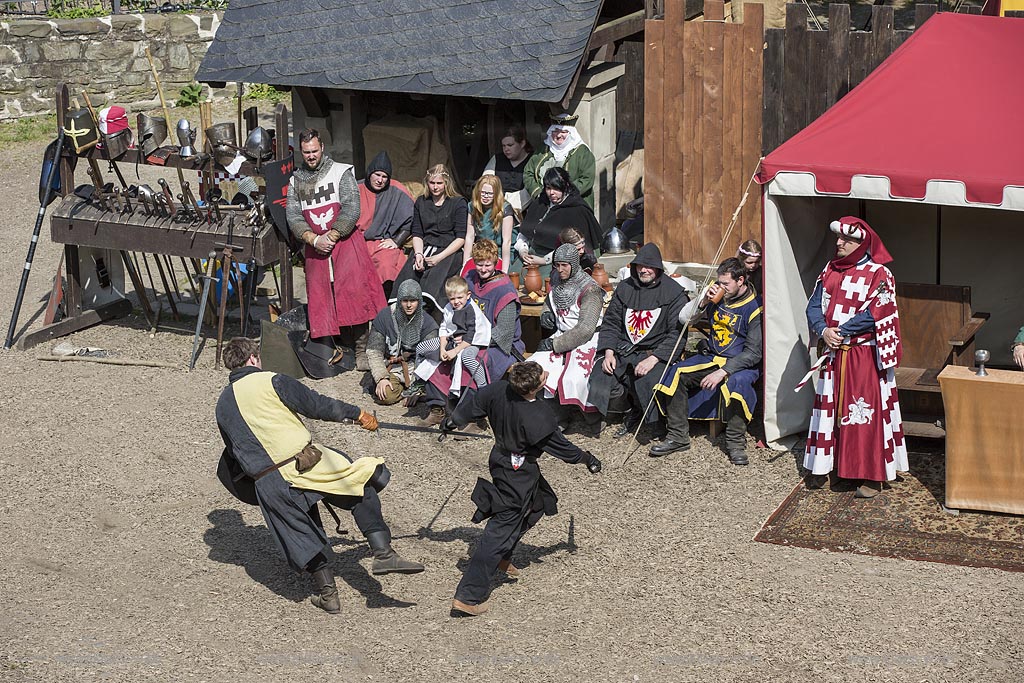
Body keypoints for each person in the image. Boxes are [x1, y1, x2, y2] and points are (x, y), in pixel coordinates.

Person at [214, 337, 424, 615]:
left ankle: (328, 595)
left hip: (268, 481)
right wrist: (358, 414)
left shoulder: (222, 405)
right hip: (307, 463)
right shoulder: (271, 380)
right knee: (358, 482)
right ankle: (383, 554)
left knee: (302, 533)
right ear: (253, 359)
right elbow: (316, 405)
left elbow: (233, 454)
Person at [443, 361, 602, 617]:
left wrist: (453, 421)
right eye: (543, 376)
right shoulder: (537, 414)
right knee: (497, 533)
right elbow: (563, 449)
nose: (547, 374)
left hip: (506, 462)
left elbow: (473, 405)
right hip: (515, 475)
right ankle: (468, 598)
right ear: (533, 389)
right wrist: (588, 459)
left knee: (539, 504)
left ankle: (503, 558)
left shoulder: (499, 390)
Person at [803, 217, 908, 499]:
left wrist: (841, 331)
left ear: (861, 243)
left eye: (846, 240)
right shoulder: (829, 270)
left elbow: (877, 312)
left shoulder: (879, 274)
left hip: (863, 356)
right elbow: (814, 306)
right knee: (831, 413)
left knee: (863, 414)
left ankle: (870, 475)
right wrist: (823, 330)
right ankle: (833, 467)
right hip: (835, 353)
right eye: (838, 238)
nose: (838, 243)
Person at [287, 128, 385, 370]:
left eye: (314, 151)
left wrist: (332, 234)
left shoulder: (341, 172)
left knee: (355, 293)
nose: (311, 156)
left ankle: (363, 350)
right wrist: (312, 239)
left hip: (345, 242)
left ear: (322, 148)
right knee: (324, 297)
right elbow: (294, 216)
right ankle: (344, 346)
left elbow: (352, 207)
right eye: (306, 152)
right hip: (315, 248)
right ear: (302, 151)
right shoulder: (295, 181)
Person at [651, 258, 762, 465]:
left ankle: (735, 443)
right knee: (675, 373)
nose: (721, 288)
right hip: (712, 357)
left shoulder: (755, 306)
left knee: (737, 384)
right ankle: (678, 436)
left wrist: (725, 371)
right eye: (719, 283)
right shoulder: (716, 296)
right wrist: (702, 302)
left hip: (741, 363)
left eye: (726, 284)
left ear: (740, 280)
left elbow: (754, 353)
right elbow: (685, 320)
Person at [589, 243, 688, 435]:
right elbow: (611, 323)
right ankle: (628, 409)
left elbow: (677, 334)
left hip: (654, 353)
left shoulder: (674, 293)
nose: (644, 270)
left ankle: (653, 421)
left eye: (649, 266)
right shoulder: (625, 288)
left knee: (647, 380)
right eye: (640, 265)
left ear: (658, 268)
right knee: (601, 376)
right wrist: (609, 352)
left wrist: (654, 358)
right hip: (624, 349)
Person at [530, 242, 605, 423]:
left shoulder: (590, 289)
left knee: (574, 376)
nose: (560, 269)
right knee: (535, 367)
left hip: (589, 339)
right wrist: (546, 312)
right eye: (557, 265)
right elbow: (551, 299)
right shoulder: (556, 279)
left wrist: (556, 344)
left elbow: (585, 329)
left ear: (574, 264)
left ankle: (592, 416)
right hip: (562, 333)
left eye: (565, 265)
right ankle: (557, 414)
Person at [414, 275, 493, 425]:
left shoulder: (471, 310)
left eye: (459, 297)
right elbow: (444, 327)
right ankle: (418, 381)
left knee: (467, 359)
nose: (456, 301)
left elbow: (471, 336)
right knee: (422, 347)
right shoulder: (449, 308)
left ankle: (483, 387)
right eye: (452, 298)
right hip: (453, 338)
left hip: (474, 341)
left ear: (467, 295)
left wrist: (454, 351)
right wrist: (443, 347)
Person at [393, 164, 468, 310]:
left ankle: (430, 318)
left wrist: (439, 257)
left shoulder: (458, 203)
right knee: (408, 278)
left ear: (446, 183)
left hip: (449, 250)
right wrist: (419, 254)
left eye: (439, 183)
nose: (435, 187)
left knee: (434, 281)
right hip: (425, 246)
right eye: (432, 183)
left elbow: (460, 238)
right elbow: (417, 232)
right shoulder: (421, 202)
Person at [515, 167, 602, 279]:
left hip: (557, 261)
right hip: (530, 254)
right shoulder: (540, 203)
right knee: (512, 277)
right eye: (548, 188)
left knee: (543, 283)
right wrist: (523, 250)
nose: (551, 193)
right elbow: (525, 233)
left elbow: (575, 248)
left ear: (565, 187)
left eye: (556, 188)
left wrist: (544, 260)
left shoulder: (577, 210)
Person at [364, 279, 439, 405]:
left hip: (416, 369)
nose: (409, 305)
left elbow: (430, 360)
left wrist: (417, 387)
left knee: (432, 390)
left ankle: (412, 390)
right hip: (392, 367)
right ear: (399, 300)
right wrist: (381, 377)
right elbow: (373, 351)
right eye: (405, 301)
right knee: (386, 396)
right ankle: (399, 389)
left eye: (413, 301)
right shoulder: (385, 316)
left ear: (419, 301)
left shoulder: (427, 323)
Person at [356, 150, 415, 293]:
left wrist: (396, 241)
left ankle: (387, 306)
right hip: (357, 243)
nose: (380, 180)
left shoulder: (397, 191)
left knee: (387, 266)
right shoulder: (356, 188)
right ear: (370, 173)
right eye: (377, 175)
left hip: (383, 243)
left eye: (384, 176)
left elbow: (412, 220)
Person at [523, 113, 596, 209]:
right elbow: (528, 172)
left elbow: (587, 179)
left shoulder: (583, 152)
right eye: (555, 131)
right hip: (544, 202)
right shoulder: (543, 149)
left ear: (570, 133)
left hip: (573, 205)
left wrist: (563, 194)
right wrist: (539, 193)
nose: (558, 135)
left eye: (564, 132)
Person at [462, 175, 514, 274]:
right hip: (481, 249)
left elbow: (506, 241)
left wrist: (504, 270)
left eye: (490, 194)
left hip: (498, 251)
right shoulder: (472, 206)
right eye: (483, 192)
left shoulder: (505, 209)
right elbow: (470, 236)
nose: (486, 196)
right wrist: (465, 263)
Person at [482, 124, 534, 212]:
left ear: (522, 143)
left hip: (524, 209)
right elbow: (486, 181)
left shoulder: (533, 160)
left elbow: (532, 188)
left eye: (510, 145)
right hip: (495, 206)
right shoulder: (497, 159)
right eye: (504, 146)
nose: (506, 149)